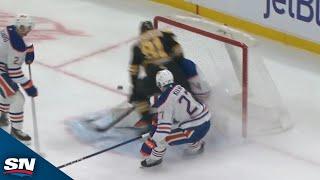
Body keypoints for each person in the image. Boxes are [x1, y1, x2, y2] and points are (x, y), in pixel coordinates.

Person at [140, 69, 211, 167]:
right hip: (205, 120)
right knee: (181, 125)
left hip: (195, 130)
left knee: (161, 140)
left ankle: (154, 159)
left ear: (159, 84)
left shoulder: (164, 103)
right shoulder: (179, 87)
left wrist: (150, 143)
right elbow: (171, 99)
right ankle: (196, 145)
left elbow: (163, 130)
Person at [129, 21, 191, 128]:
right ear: (153, 29)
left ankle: (148, 119)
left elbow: (134, 70)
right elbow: (179, 53)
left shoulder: (138, 45)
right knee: (185, 89)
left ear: (141, 32)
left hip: (155, 74)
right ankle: (194, 110)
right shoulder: (165, 35)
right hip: (173, 69)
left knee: (138, 94)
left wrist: (135, 87)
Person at [0, 14, 38, 143]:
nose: (27, 31)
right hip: (2, 71)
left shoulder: (9, 29)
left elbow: (12, 46)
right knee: (18, 99)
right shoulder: (17, 45)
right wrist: (29, 87)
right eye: (27, 28)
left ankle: (1, 116)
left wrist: (28, 50)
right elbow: (14, 72)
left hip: (2, 68)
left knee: (7, 93)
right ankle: (16, 130)